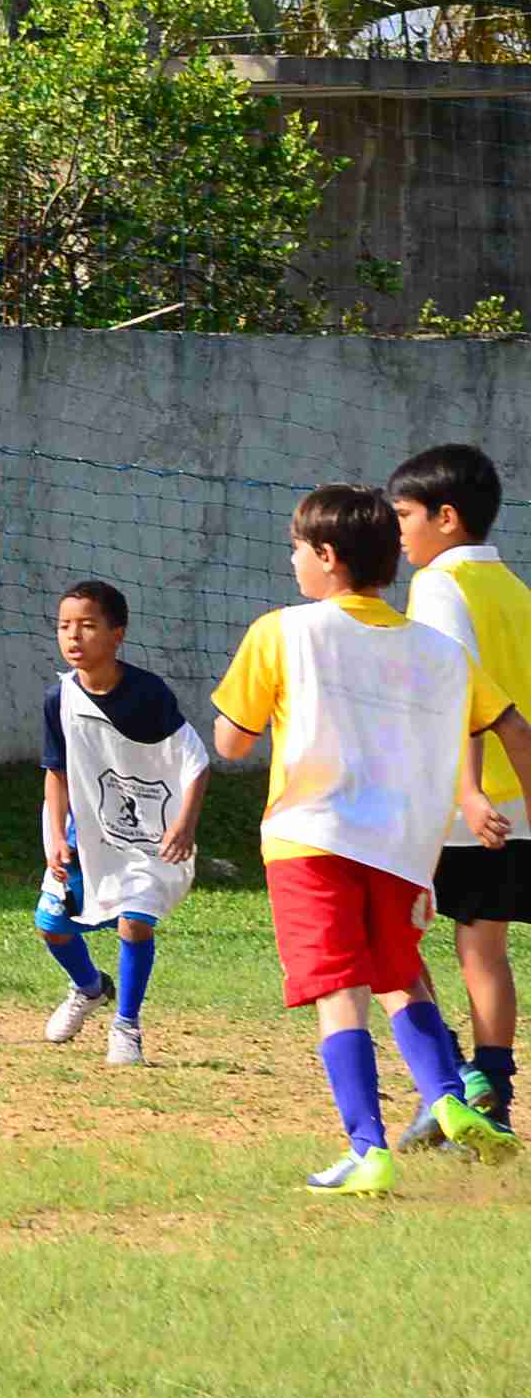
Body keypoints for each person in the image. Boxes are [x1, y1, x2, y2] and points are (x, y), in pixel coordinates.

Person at [206, 483, 531, 1194]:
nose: (292, 561)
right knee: (397, 973)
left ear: (326, 555)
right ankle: (447, 1097)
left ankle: (367, 1149)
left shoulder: (283, 632)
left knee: (340, 992)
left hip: (312, 838)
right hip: (404, 849)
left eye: (297, 548)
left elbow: (230, 742)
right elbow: (513, 728)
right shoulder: (438, 651)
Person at [393, 442, 531, 1127]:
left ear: (445, 518)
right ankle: (494, 1095)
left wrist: (469, 792)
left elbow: (457, 688)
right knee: (486, 951)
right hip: (516, 806)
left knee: (386, 937)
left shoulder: (438, 585)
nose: (398, 532)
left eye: (405, 516)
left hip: (458, 807)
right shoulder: (514, 588)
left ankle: (445, 1077)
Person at [31, 579, 206, 1066]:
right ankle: (89, 988)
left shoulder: (149, 694)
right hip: (86, 832)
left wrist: (185, 824)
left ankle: (126, 1027)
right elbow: (56, 773)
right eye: (64, 626)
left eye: (87, 626)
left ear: (117, 634)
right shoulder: (58, 698)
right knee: (51, 927)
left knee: (134, 922)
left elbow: (195, 760)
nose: (73, 637)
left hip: (148, 835)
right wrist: (54, 838)